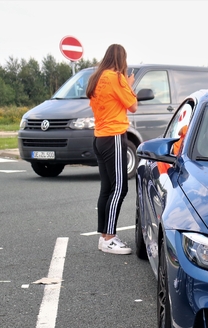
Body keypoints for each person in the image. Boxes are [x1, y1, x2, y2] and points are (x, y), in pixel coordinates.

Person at [86, 44, 138, 254]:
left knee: (107, 188)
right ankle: (109, 238)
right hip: (114, 136)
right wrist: (128, 83)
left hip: (99, 137)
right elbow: (132, 105)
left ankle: (104, 236)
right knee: (119, 188)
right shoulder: (116, 78)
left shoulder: (96, 78)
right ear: (121, 60)